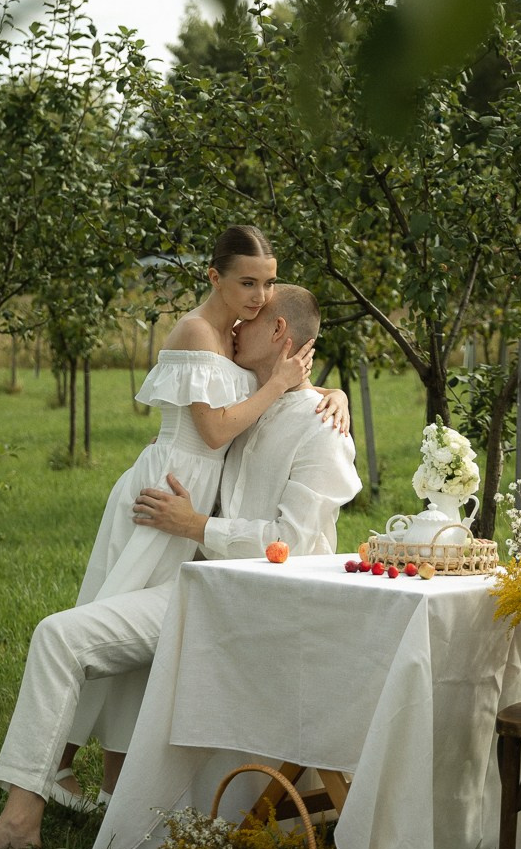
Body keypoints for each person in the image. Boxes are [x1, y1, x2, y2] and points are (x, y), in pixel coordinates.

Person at [0, 274, 359, 849]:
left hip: (255, 610)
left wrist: (197, 527)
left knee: (65, 637)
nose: (236, 324)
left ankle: (45, 806)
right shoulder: (250, 404)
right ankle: (21, 819)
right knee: (59, 635)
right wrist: (322, 387)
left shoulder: (322, 429)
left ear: (279, 330)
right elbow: (236, 410)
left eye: (251, 319)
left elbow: (298, 544)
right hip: (197, 590)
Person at [49, 224, 347, 809]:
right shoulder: (198, 330)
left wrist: (325, 394)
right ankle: (53, 763)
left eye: (266, 284)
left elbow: (273, 389)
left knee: (144, 645)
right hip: (168, 490)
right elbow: (214, 428)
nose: (259, 296)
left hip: (196, 502)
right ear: (215, 276)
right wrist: (283, 383)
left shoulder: (243, 333)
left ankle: (115, 782)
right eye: (247, 282)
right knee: (106, 617)